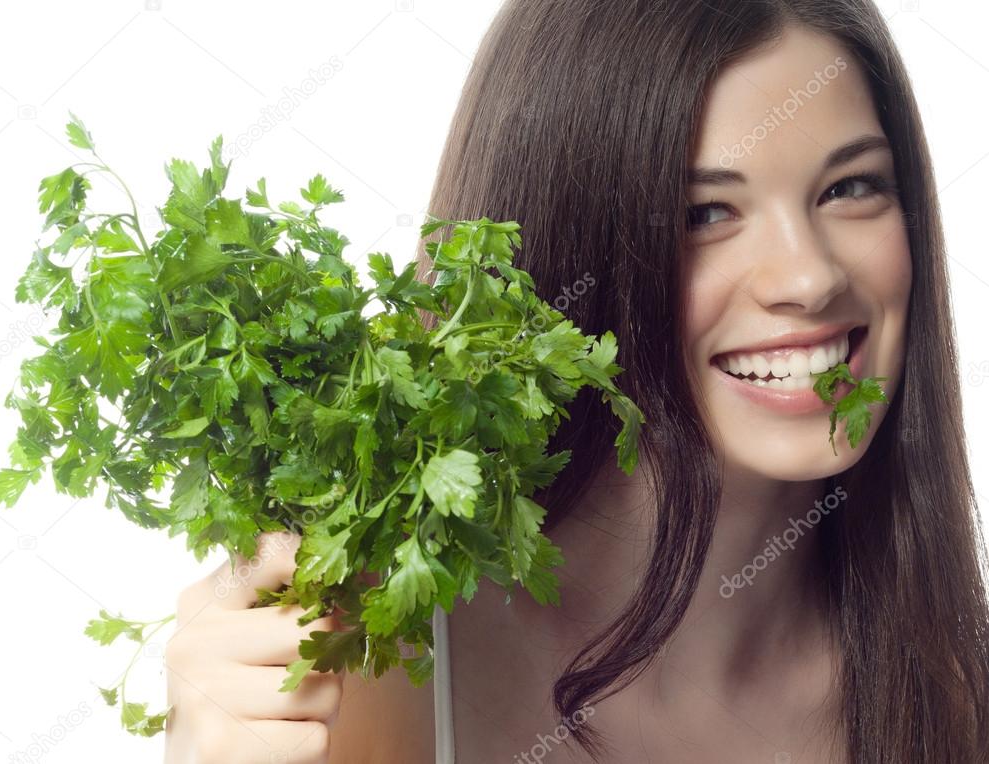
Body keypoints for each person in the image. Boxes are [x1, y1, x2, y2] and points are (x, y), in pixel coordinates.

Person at [163, 1, 989, 761]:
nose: (809, 279)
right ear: (556, 251)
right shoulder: (360, 654)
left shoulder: (958, 686)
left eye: (849, 188)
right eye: (702, 213)